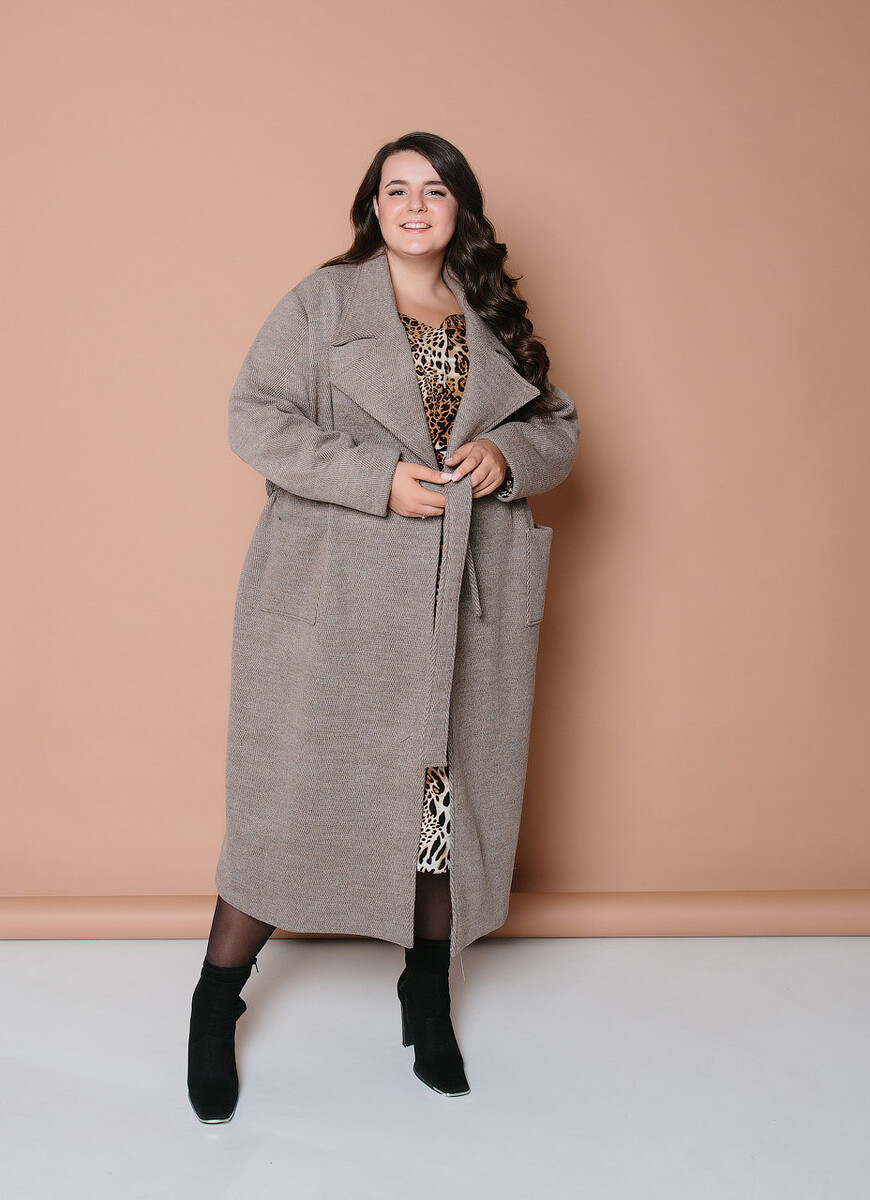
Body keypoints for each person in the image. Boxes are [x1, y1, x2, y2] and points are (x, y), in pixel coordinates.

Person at [187, 131, 580, 1122]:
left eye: (434, 190)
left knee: (440, 812)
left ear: (460, 210)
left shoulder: (491, 313)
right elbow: (253, 416)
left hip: (464, 607)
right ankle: (214, 1004)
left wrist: (507, 455)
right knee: (288, 807)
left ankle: (426, 998)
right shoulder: (322, 304)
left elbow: (559, 427)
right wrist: (375, 479)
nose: (414, 206)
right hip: (339, 606)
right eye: (396, 189)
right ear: (373, 205)